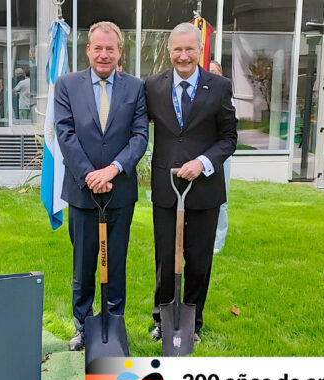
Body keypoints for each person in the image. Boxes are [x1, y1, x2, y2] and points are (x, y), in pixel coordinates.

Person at [55, 21, 148, 351]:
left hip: (120, 193)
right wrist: (90, 176)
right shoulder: (66, 85)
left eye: (111, 48)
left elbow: (140, 136)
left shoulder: (135, 88)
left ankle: (113, 325)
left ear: (120, 51)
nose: (104, 54)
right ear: (88, 50)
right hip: (82, 193)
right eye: (98, 47)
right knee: (83, 264)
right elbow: (65, 134)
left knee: (116, 262)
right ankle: (83, 326)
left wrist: (112, 170)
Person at [144, 23, 237, 343]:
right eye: (177, 49)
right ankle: (162, 319)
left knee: (198, 259)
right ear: (168, 51)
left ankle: (193, 321)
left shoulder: (220, 86)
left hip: (205, 189)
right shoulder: (153, 86)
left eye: (189, 49)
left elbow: (229, 139)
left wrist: (203, 163)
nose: (183, 56)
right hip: (167, 187)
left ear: (200, 50)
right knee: (166, 258)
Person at [208, 59, 232, 254]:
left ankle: (218, 241)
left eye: (215, 72)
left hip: (221, 156)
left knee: (221, 199)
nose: (211, 74)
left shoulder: (224, 93)